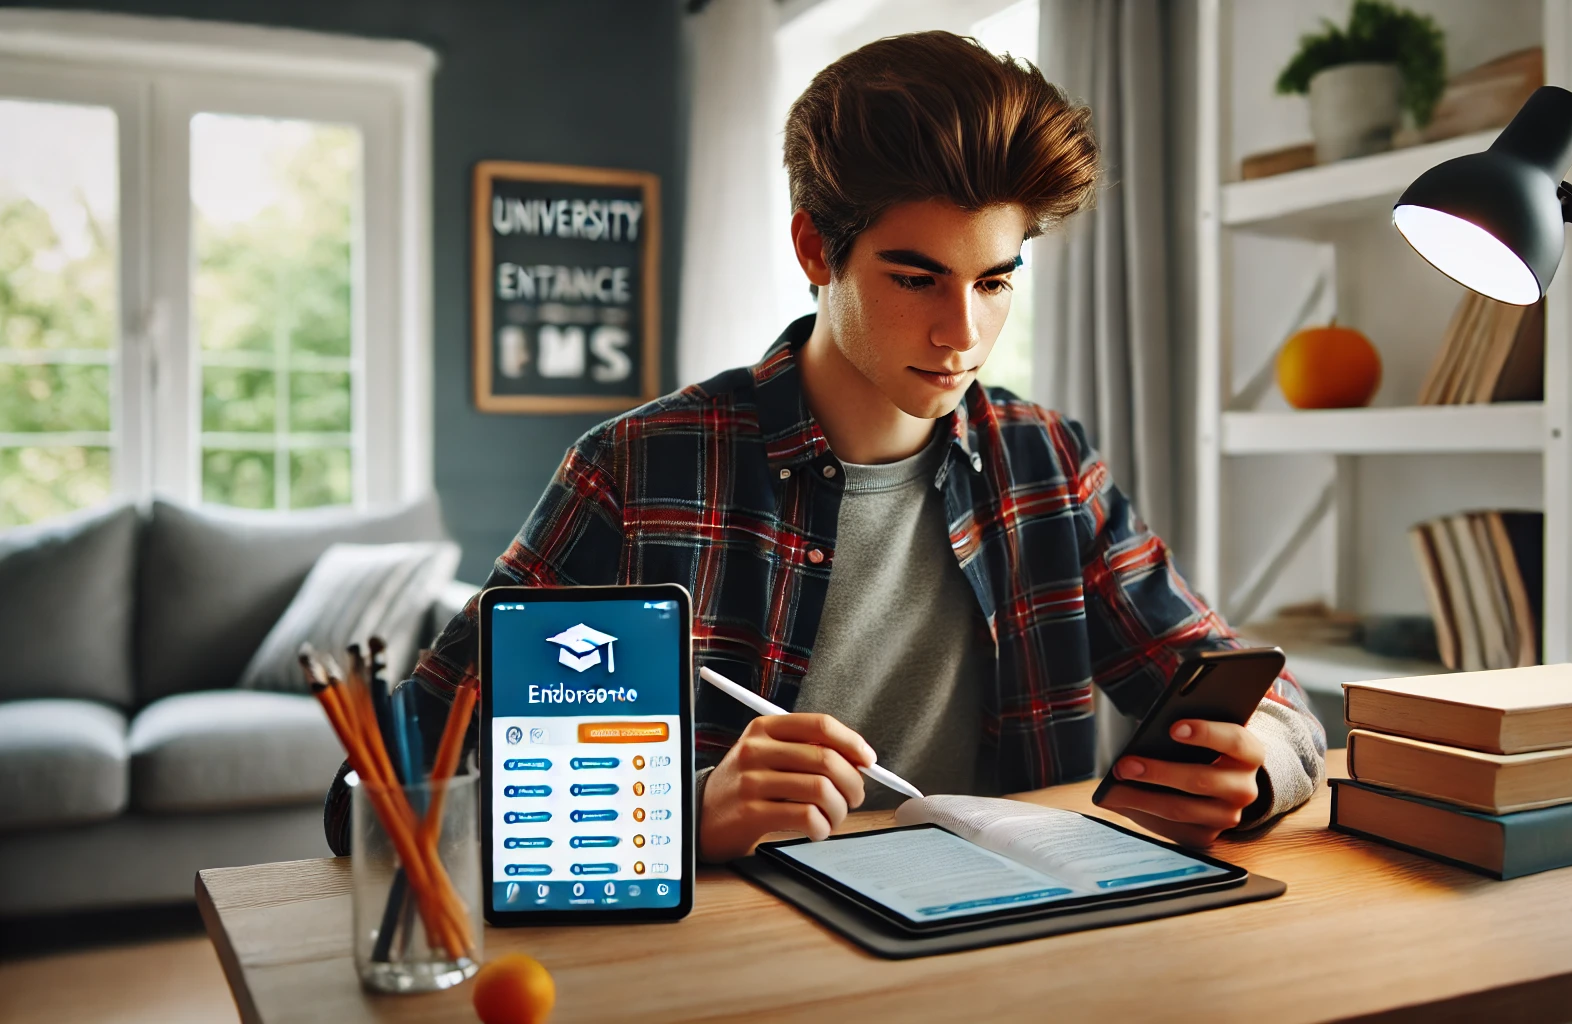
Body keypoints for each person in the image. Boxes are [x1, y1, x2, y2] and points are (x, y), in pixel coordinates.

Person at [323, 30, 1326, 861]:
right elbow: (379, 790)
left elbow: (1259, 692)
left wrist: (1250, 768)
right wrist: (675, 819)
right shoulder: (640, 469)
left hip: (1014, 953)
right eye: (915, 277)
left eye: (994, 280)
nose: (961, 333)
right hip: (739, 972)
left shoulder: (1046, 464)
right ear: (815, 249)